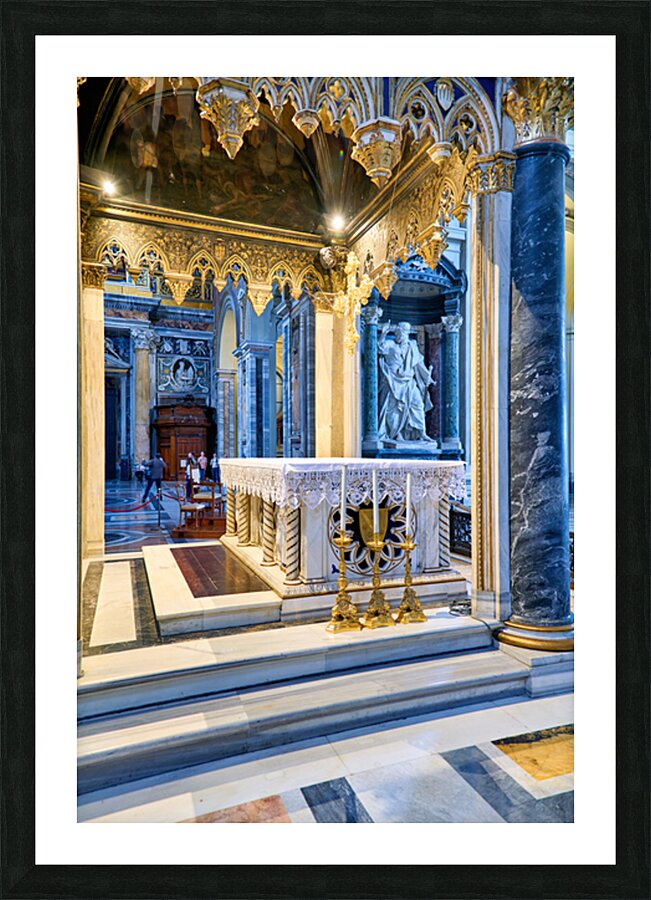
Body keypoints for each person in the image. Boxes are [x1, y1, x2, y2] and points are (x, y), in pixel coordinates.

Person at [378, 321, 436, 444]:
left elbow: (419, 364)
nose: (400, 335)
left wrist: (427, 377)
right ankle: (396, 433)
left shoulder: (412, 346)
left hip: (409, 381)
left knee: (417, 404)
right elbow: (379, 347)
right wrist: (383, 333)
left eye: (403, 332)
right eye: (398, 332)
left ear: (407, 333)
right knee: (394, 409)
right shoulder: (390, 344)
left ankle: (422, 433)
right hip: (393, 381)